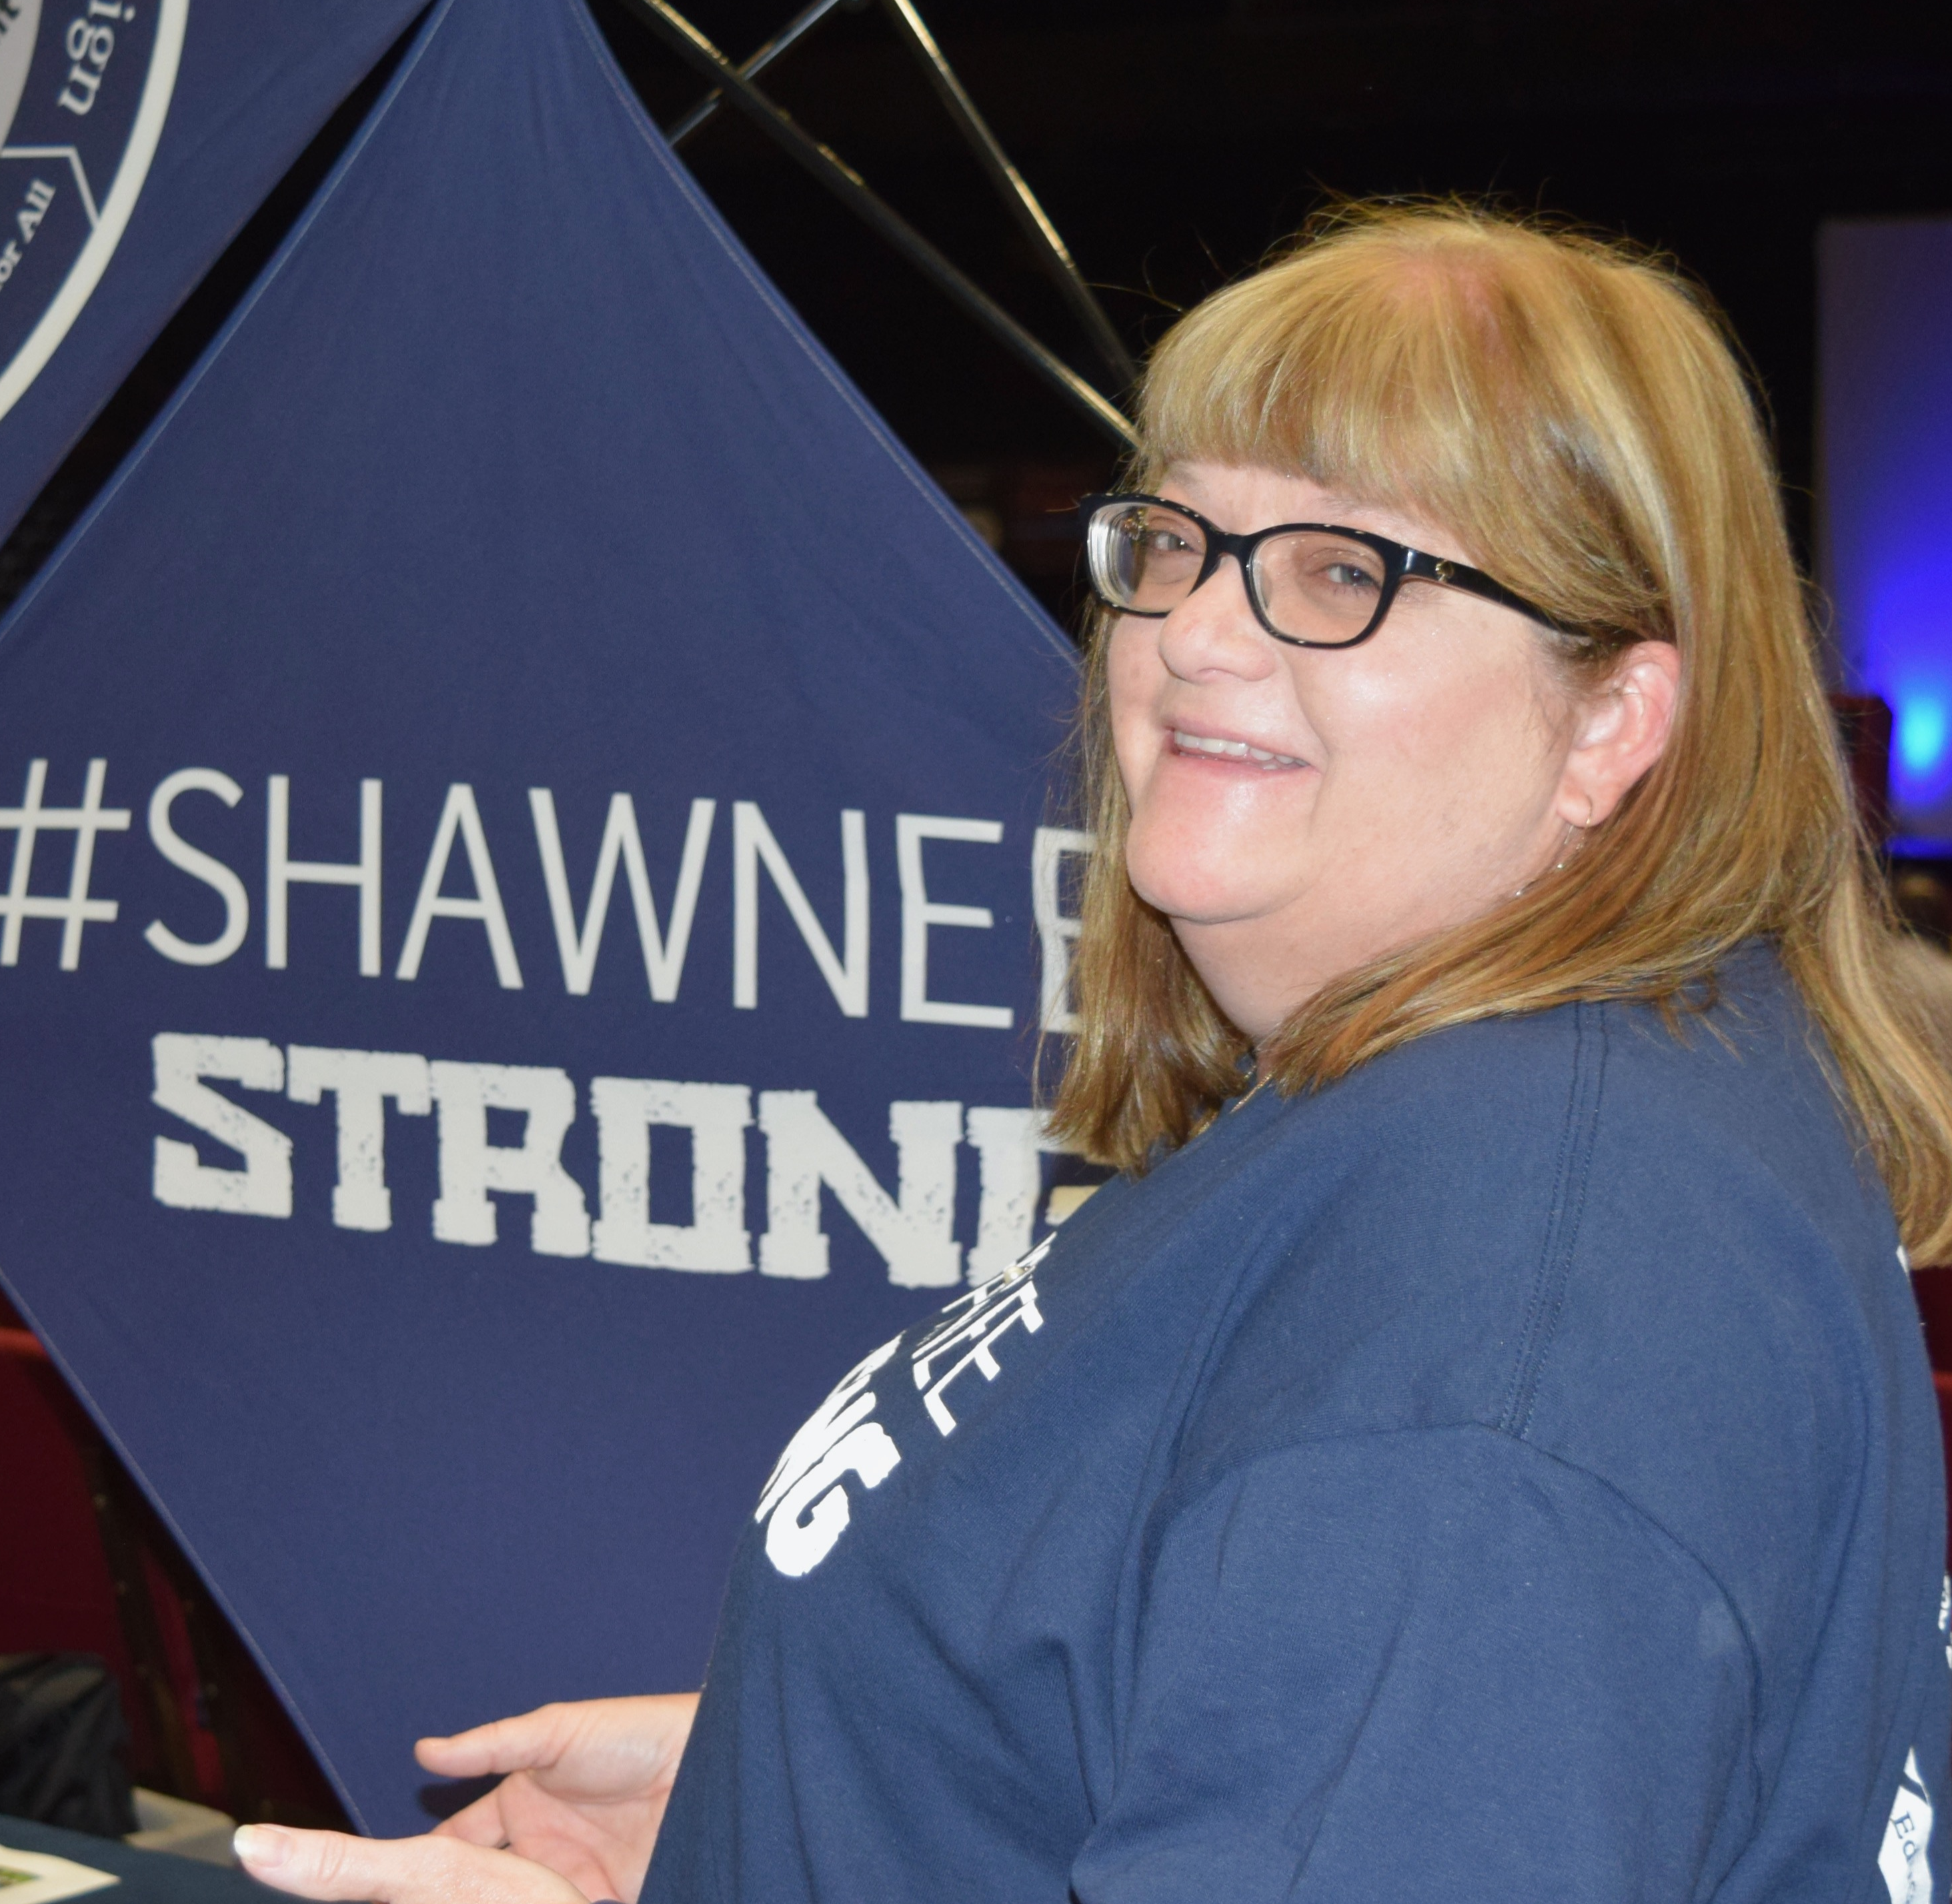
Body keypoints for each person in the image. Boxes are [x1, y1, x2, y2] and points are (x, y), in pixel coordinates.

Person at [237, 203, 1952, 1903]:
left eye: (1341, 573)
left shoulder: (1508, 1317)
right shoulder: (1498, 1096)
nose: (1193, 635)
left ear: (1609, 723)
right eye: (1175, 544)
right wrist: (819, 1774)